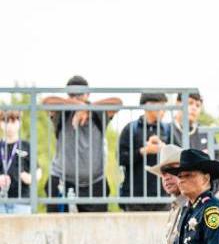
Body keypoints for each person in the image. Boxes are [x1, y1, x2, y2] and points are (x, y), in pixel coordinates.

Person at [42, 75, 121, 213]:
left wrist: (88, 108)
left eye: (80, 94)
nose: (76, 97)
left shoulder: (98, 113)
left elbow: (118, 102)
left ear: (88, 94)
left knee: (97, 230)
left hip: (94, 182)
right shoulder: (63, 112)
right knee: (55, 228)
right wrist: (77, 105)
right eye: (72, 94)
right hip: (62, 180)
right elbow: (46, 101)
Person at [118, 92, 171, 211]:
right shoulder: (131, 129)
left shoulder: (168, 130)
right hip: (134, 197)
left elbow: (178, 157)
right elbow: (121, 158)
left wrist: (164, 148)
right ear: (148, 105)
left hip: (162, 197)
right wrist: (143, 151)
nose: (164, 111)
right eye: (160, 107)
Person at [0, 111, 32, 214]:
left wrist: (30, 178)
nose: (9, 125)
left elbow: (37, 169)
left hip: (22, 200)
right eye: (5, 121)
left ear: (19, 123)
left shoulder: (26, 145)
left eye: (13, 121)